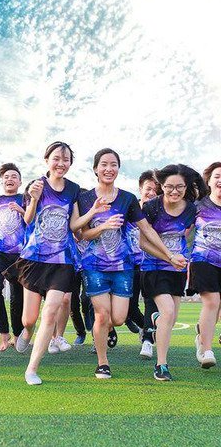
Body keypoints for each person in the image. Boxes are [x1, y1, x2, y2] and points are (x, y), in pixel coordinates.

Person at [75, 149, 186, 380]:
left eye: (113, 164)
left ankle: (109, 328)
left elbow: (147, 229)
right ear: (95, 169)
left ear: (118, 168)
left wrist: (169, 255)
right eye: (104, 164)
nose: (109, 169)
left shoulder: (127, 199)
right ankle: (103, 363)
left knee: (118, 318)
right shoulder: (85, 199)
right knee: (102, 315)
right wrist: (103, 226)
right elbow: (83, 234)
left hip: (122, 266)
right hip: (94, 266)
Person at [6, 141, 91, 385]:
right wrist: (33, 199)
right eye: (56, 158)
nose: (61, 164)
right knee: (29, 319)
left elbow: (74, 224)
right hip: (35, 258)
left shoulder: (74, 189)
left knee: (51, 310)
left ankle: (32, 368)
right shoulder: (37, 185)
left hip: (62, 260)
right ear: (47, 160)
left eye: (66, 160)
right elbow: (28, 219)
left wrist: (93, 212)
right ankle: (27, 331)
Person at [140, 164, 206, 380]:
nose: (174, 191)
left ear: (186, 187)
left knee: (170, 318)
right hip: (153, 267)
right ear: (161, 185)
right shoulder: (151, 207)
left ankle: (157, 320)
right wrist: (169, 256)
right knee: (168, 312)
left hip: (177, 269)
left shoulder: (191, 209)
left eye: (180, 187)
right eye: (169, 186)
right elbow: (143, 242)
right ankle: (161, 365)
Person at [0, 163, 25, 351]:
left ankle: (17, 335)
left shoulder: (25, 198)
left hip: (21, 254)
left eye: (14, 176)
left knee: (18, 296)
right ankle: (3, 332)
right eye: (6, 177)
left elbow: (33, 219)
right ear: (2, 181)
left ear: (20, 182)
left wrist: (22, 210)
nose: (10, 179)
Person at [188, 162, 221, 369]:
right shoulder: (198, 205)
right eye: (217, 176)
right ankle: (207, 350)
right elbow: (182, 229)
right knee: (212, 301)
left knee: (217, 306)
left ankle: (201, 336)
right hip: (203, 259)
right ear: (208, 181)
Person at [124, 170, 160, 359]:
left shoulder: (159, 213)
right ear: (140, 188)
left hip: (152, 264)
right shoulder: (128, 209)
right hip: (129, 266)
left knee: (150, 302)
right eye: (148, 189)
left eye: (156, 190)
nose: (152, 193)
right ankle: (144, 327)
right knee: (128, 308)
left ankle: (147, 340)